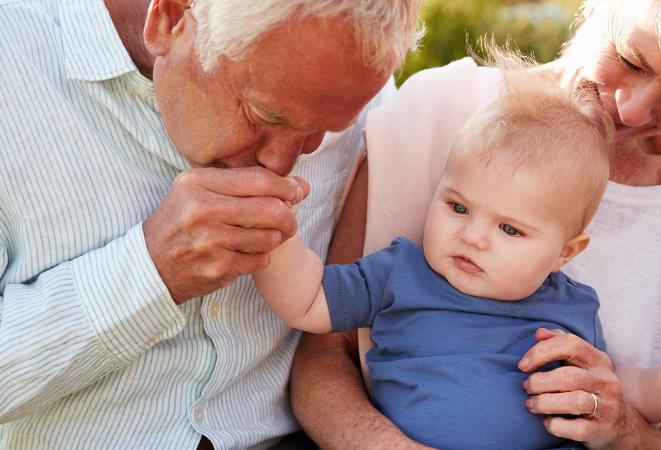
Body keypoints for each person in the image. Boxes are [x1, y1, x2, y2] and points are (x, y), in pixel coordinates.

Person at [289, 0, 661, 448]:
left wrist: (624, 429)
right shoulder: (439, 112)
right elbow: (322, 354)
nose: (632, 109)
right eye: (630, 59)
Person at [0, 0, 420, 448]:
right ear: (171, 19)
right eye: (264, 116)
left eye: (323, 132)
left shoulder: (348, 74)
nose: (281, 163)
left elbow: (351, 340)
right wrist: (151, 270)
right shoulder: (14, 54)